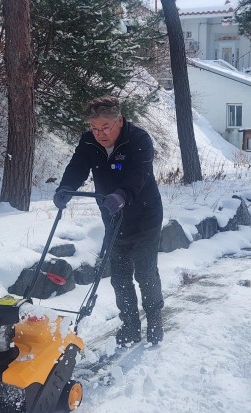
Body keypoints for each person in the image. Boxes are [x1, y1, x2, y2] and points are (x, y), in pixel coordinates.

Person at [53, 95, 165, 346]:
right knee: (120, 276)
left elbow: (140, 174)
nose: (99, 134)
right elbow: (77, 168)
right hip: (114, 218)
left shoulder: (138, 140)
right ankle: (130, 324)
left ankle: (155, 317)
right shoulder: (89, 142)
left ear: (119, 121)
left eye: (105, 128)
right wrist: (65, 188)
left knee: (145, 273)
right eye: (94, 128)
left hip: (145, 216)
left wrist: (121, 195)